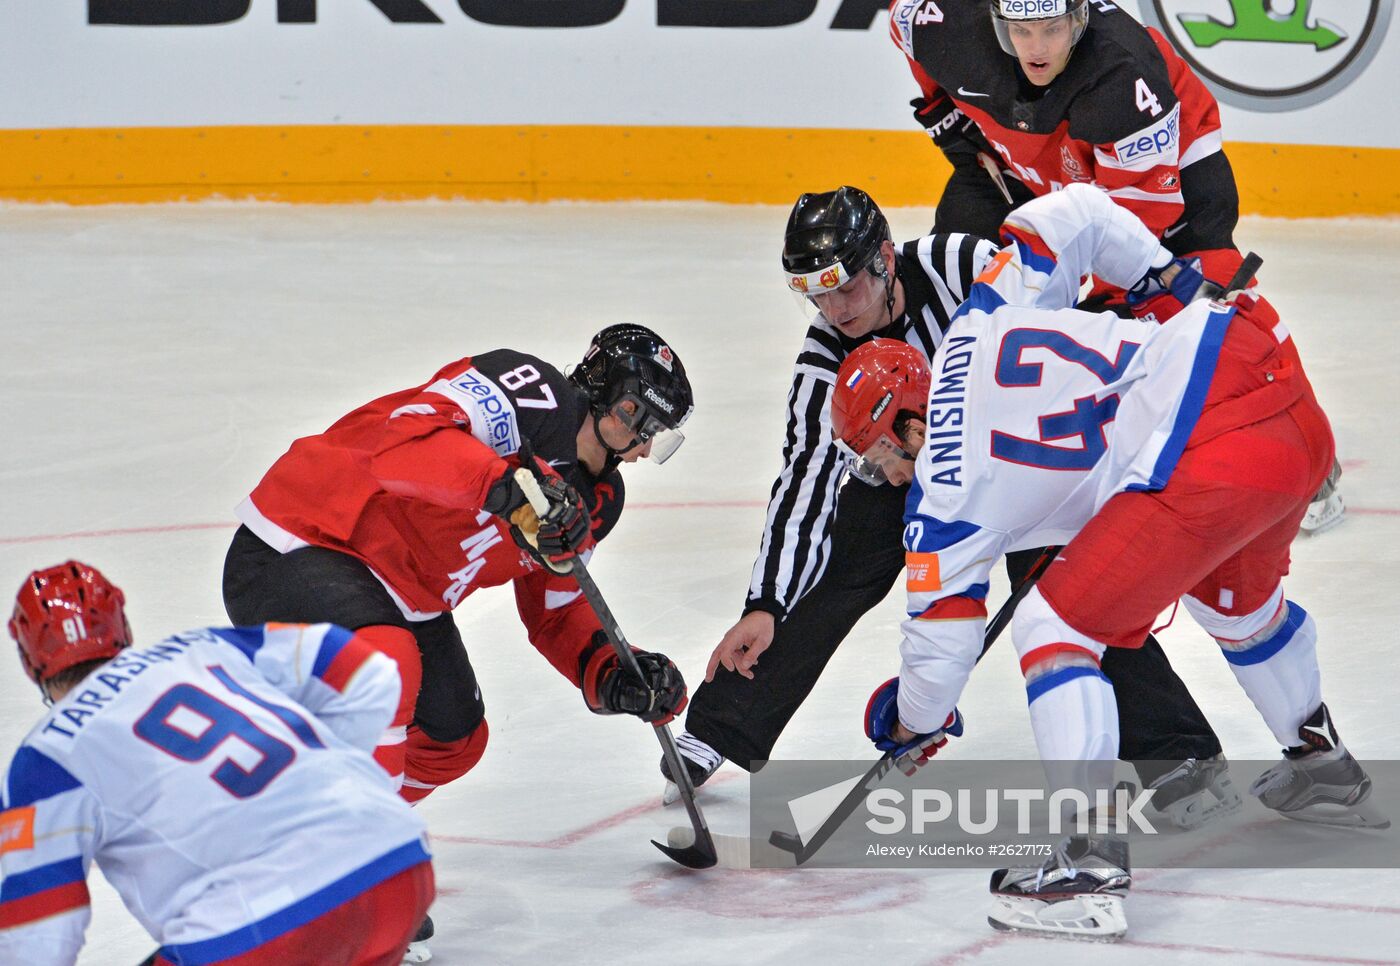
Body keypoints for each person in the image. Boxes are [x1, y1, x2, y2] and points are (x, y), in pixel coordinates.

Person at [849, 183, 1384, 940]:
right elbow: (1077, 213)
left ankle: (1084, 867)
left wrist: (910, 723)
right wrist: (1167, 277)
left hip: (1204, 444)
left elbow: (939, 653)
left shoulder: (941, 494)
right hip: (1269, 370)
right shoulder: (984, 312)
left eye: (874, 461)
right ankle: (1326, 769)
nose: (885, 478)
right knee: (1240, 609)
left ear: (900, 422)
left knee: (1054, 630)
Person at [665, 184, 1236, 833]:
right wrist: (764, 603)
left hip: (1015, 455)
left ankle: (1178, 754)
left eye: (843, 286)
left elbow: (1060, 327)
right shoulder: (826, 359)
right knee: (837, 558)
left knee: (1066, 581)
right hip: (902, 464)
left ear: (884, 259)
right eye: (814, 294)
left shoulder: (962, 266)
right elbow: (801, 485)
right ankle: (725, 724)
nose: (831, 308)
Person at [222, 324, 692, 960]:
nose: (642, 447)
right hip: (305, 534)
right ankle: (357, 871)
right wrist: (504, 486)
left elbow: (555, 609)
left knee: (453, 737)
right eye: (643, 422)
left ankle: (304, 838)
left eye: (656, 436)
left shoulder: (598, 499)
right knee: (390, 665)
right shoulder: (533, 393)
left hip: (398, 597)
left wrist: (611, 670)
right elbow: (403, 439)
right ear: (612, 396)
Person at [887, 0, 1345, 533]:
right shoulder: (947, 25)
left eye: (1052, 29)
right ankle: (952, 433)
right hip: (1026, 170)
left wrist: (1083, 310)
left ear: (1078, 19)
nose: (1035, 48)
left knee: (1195, 311)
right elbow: (908, 30)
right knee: (956, 276)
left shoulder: (1124, 72)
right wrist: (946, 117)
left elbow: (1130, 231)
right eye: (1021, 30)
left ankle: (1305, 452)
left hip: (1173, 189)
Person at [0, 561, 434, 965]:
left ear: (29, 657)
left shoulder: (47, 755)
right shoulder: (204, 647)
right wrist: (335, 781)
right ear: (121, 625)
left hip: (260, 928)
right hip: (398, 865)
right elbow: (367, 672)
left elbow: (39, 933)